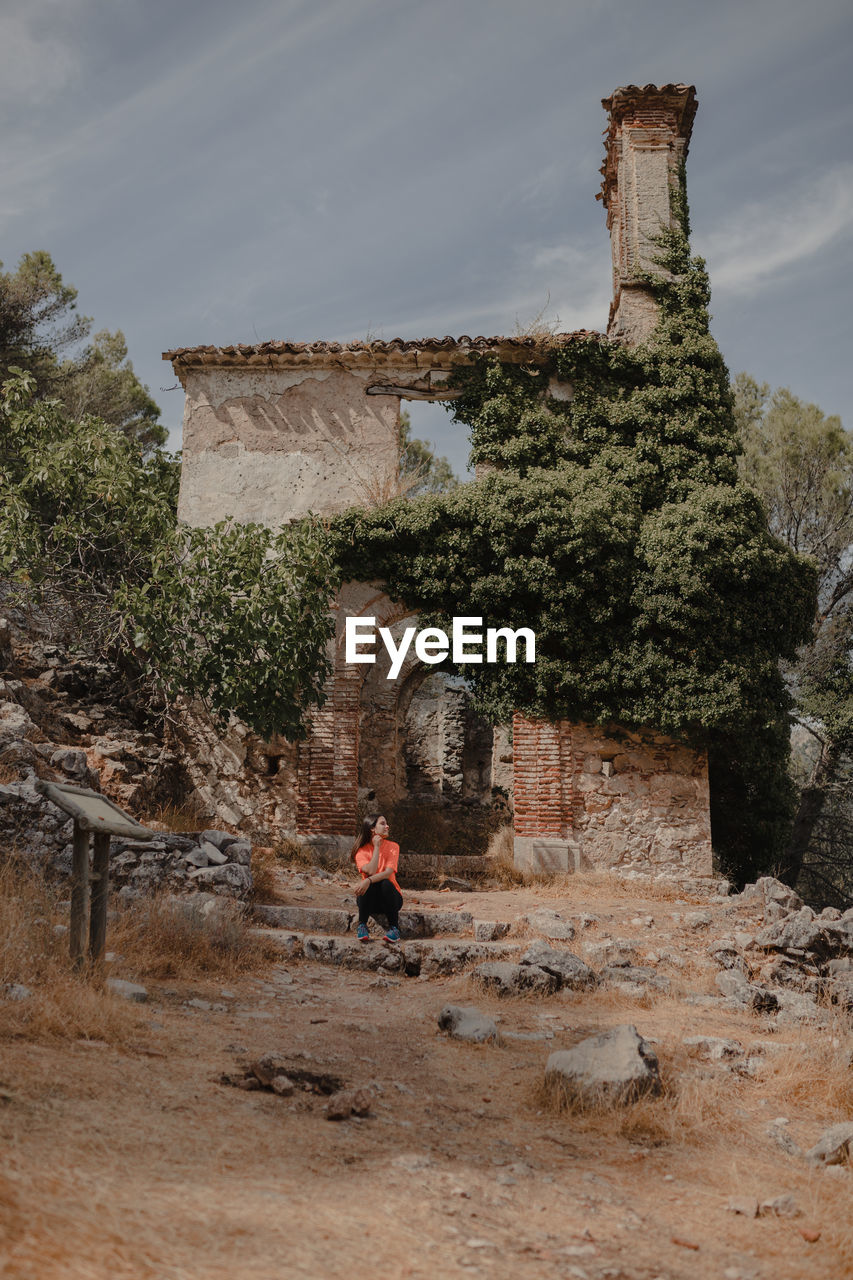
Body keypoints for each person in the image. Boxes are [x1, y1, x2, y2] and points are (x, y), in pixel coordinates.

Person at [351, 814, 403, 943]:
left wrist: (367, 880)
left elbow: (387, 873)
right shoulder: (361, 851)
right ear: (372, 829)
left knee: (384, 883)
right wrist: (377, 848)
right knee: (370, 884)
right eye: (383, 823)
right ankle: (362, 925)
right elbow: (371, 871)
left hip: (391, 899)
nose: (387, 826)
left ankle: (395, 929)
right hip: (370, 901)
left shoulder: (393, 847)